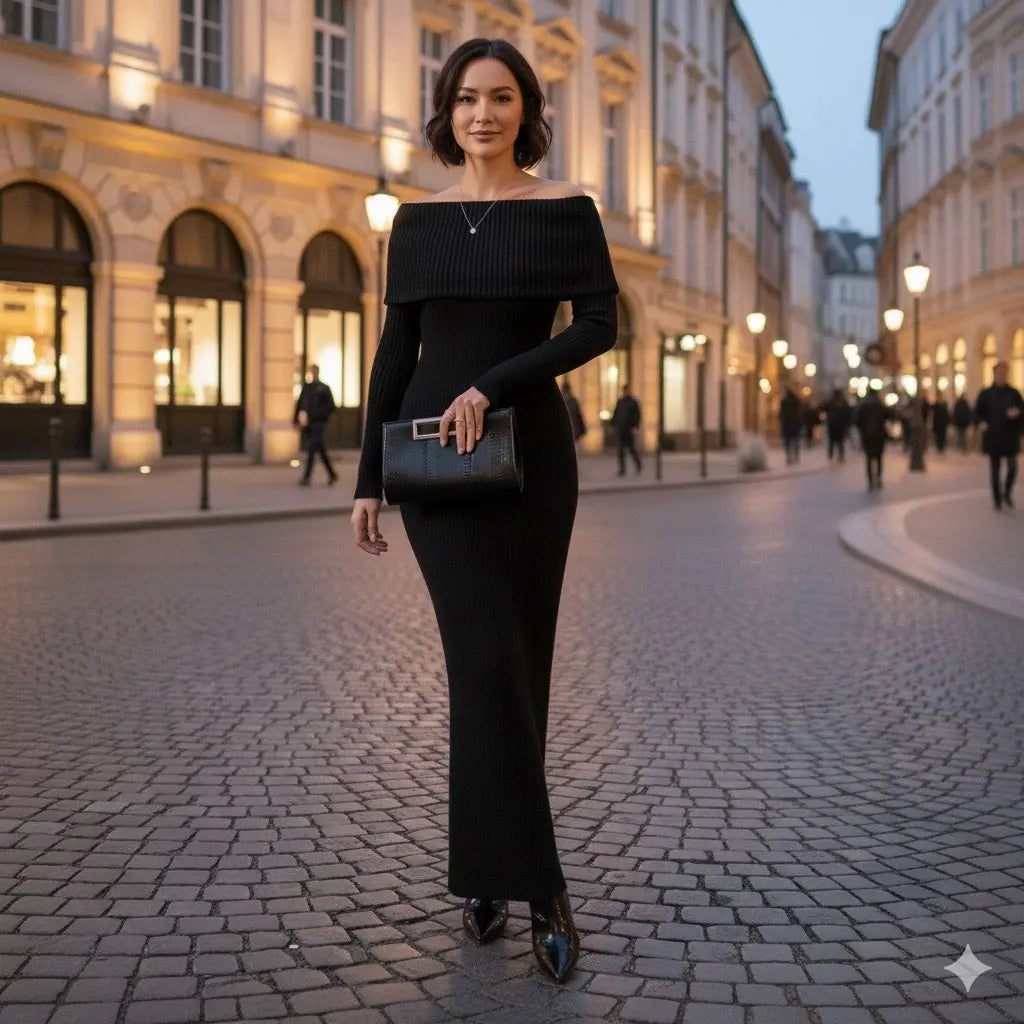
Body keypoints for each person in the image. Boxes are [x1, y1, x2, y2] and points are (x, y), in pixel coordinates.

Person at [349, 38, 617, 983]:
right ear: (446, 112)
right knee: (481, 662)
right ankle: (541, 884)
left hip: (532, 465)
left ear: (528, 109)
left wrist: (495, 384)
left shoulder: (565, 211)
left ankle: (487, 873)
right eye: (467, 99)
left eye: (502, 98)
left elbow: (597, 323)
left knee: (521, 665)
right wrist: (367, 478)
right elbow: (394, 352)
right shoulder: (416, 223)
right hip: (434, 473)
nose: (484, 115)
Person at [974, 360, 1024, 509]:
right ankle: (997, 499)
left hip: (1010, 436)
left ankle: (1007, 493)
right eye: (1000, 372)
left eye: (1004, 372)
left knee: (1013, 468)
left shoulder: (1014, 393)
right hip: (993, 436)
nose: (1002, 375)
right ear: (995, 373)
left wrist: (1018, 413)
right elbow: (977, 412)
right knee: (995, 470)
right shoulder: (986, 393)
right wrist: (982, 422)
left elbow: (1022, 410)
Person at [293, 363, 338, 485]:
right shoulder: (307, 388)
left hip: (319, 423)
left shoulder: (323, 388)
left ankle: (306, 477)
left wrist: (320, 413)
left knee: (312, 449)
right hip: (309, 423)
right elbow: (299, 404)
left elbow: (331, 406)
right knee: (320, 449)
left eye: (314, 371)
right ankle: (332, 474)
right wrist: (296, 420)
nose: (313, 374)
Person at [856, 388, 888, 491]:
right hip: (879, 435)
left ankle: (870, 481)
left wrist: (862, 430)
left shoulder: (863, 405)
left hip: (867, 436)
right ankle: (878, 479)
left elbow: (856, 420)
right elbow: (888, 415)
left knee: (869, 458)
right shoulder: (880, 404)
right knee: (879, 458)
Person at [611, 383, 642, 475]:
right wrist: (613, 424)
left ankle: (638, 465)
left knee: (632, 449)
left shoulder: (633, 402)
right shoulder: (620, 401)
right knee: (620, 450)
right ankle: (622, 469)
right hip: (620, 429)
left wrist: (636, 425)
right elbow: (615, 414)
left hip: (629, 429)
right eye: (624, 390)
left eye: (626, 390)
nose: (625, 392)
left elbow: (637, 415)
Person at [824, 389, 852, 463]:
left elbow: (824, 408)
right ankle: (840, 456)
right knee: (839, 443)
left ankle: (831, 456)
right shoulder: (843, 402)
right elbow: (848, 414)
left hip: (834, 426)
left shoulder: (831, 402)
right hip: (839, 426)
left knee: (833, 442)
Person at [779, 387, 802, 465]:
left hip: (787, 425)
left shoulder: (784, 402)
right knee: (795, 441)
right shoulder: (796, 401)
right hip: (794, 425)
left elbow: (781, 414)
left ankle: (789, 457)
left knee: (788, 442)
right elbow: (800, 413)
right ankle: (796, 456)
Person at [560, 380, 586, 445]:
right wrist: (582, 428)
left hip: (564, 429)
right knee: (573, 446)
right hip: (574, 428)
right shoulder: (573, 400)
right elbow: (578, 415)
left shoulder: (561, 400)